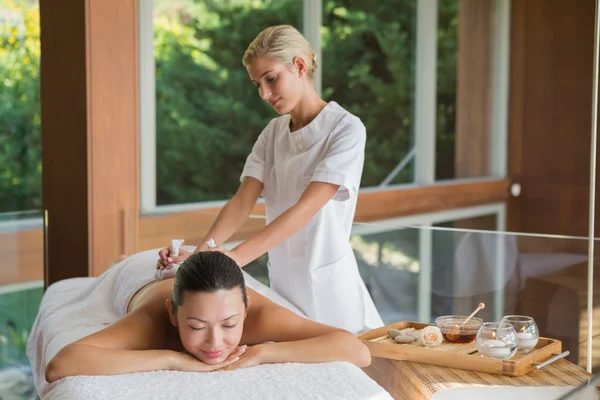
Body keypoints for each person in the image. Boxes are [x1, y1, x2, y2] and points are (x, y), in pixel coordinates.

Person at [156, 24, 383, 334]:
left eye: (271, 79)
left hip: (330, 286)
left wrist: (235, 258)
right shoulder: (273, 133)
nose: (264, 94)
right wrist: (198, 256)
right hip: (283, 285)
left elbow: (306, 208)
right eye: (257, 84)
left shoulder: (346, 129)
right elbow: (241, 202)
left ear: (299, 66)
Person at [45, 251, 371, 382]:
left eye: (230, 325)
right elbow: (61, 364)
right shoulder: (151, 322)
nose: (216, 343)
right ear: (173, 315)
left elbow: (357, 350)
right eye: (196, 327)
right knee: (127, 263)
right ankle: (128, 258)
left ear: (245, 311)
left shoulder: (258, 317)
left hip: (203, 267)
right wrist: (173, 360)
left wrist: (262, 353)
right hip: (138, 273)